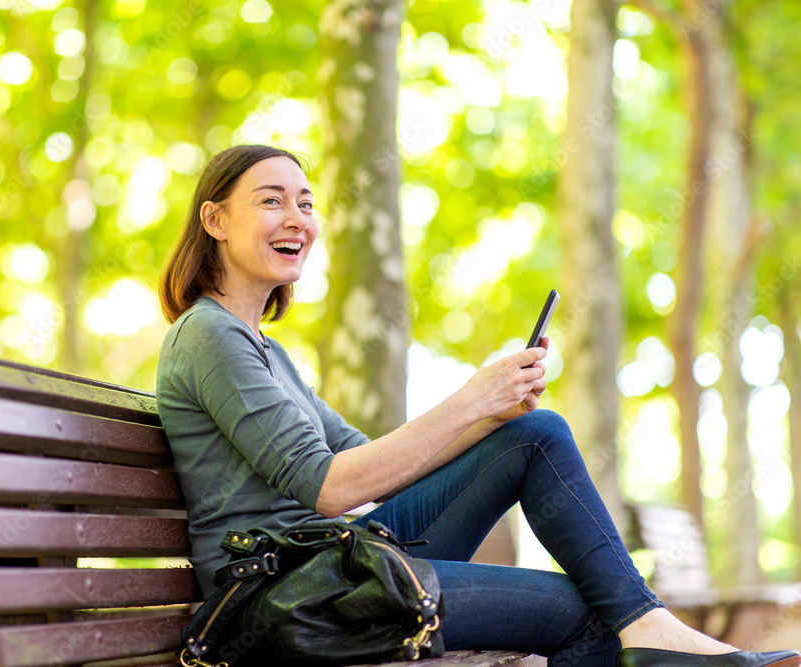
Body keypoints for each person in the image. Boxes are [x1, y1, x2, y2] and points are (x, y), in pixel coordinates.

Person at [155, 144, 800, 666]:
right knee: (591, 614)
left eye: (305, 202)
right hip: (281, 598)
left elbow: (358, 459)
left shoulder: (264, 349)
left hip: (333, 566)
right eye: (272, 202)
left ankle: (652, 626)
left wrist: (493, 415)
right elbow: (330, 488)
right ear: (214, 220)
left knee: (533, 433)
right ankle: (652, 628)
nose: (297, 217)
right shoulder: (208, 335)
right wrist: (470, 400)